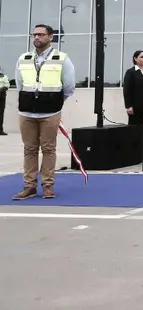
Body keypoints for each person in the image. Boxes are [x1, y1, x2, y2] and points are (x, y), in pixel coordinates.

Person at [12, 24, 76, 200]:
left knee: (48, 149)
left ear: (50, 37)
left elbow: (69, 86)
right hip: (27, 112)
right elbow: (19, 84)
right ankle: (29, 185)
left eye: (41, 34)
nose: (37, 38)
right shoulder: (24, 58)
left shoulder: (61, 58)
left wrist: (55, 101)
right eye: (35, 35)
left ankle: (48, 185)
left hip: (50, 112)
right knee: (29, 149)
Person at [0, 66, 9, 136]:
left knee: (0, 113)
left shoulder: (4, 77)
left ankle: (0, 130)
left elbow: (7, 85)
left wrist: (1, 90)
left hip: (1, 96)